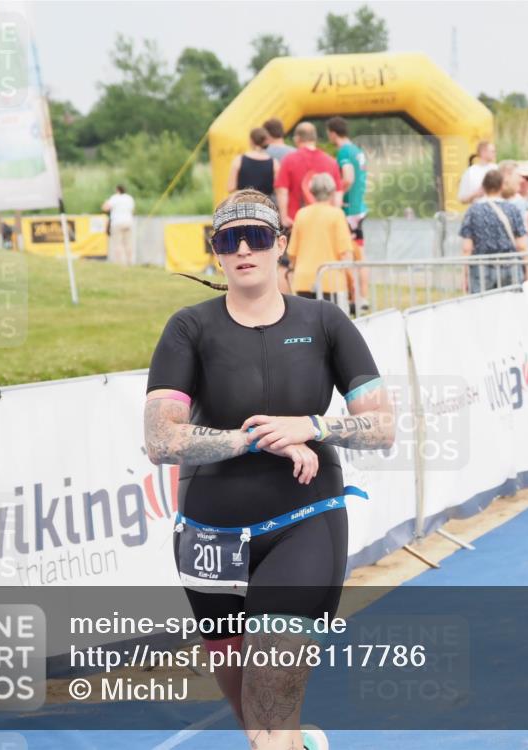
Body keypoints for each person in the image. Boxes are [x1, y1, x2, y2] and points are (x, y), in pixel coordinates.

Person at [144, 188, 394, 750]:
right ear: (216, 251)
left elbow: (383, 427)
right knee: (256, 721)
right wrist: (253, 438)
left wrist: (315, 427)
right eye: (228, 240)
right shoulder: (189, 328)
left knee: (271, 716)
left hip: (306, 519)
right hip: (211, 535)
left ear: (281, 244)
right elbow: (161, 440)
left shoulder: (326, 322)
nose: (243, 250)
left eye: (256, 237)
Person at [286, 173, 354, 301]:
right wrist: (352, 283)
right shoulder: (337, 215)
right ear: (333, 192)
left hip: (303, 281)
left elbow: (292, 253)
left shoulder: (301, 214)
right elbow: (345, 254)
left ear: (312, 192)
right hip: (331, 280)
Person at [326, 116, 370, 313]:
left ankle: (354, 298)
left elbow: (349, 176)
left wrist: (337, 194)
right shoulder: (357, 149)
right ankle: (363, 297)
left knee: (348, 255)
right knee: (360, 257)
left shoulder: (344, 151)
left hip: (349, 210)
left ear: (332, 133)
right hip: (359, 207)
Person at [459, 169, 528, 293]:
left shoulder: (473, 211)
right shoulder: (512, 209)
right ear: (502, 186)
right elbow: (522, 245)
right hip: (510, 266)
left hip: (481, 268)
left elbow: (467, 248)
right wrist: (527, 270)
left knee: (482, 308)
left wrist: (464, 275)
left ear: (483, 187)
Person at [274, 122, 342, 229]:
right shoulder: (331, 162)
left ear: (297, 139)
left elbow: (282, 190)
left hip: (295, 221)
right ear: (315, 138)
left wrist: (283, 217)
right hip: (324, 223)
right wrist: (335, 218)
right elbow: (337, 193)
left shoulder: (289, 160)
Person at [228, 127, 280, 196]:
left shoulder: (239, 160)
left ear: (251, 141)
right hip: (264, 203)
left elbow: (230, 188)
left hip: (243, 203)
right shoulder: (274, 163)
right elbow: (278, 190)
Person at [102, 185, 135, 265]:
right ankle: (130, 262)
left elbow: (105, 208)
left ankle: (119, 263)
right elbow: (133, 210)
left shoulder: (115, 198)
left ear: (117, 190)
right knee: (128, 243)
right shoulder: (129, 198)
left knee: (117, 243)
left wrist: (106, 202)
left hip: (117, 222)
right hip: (128, 222)